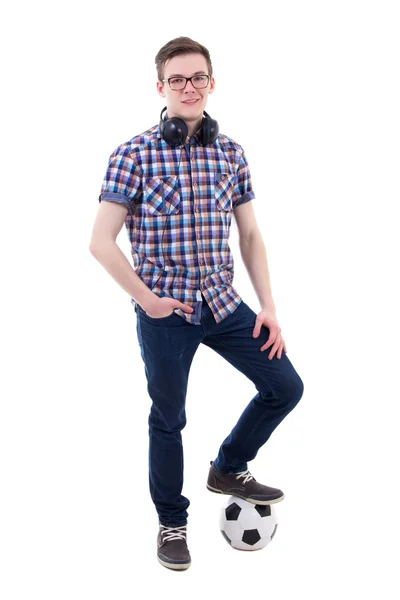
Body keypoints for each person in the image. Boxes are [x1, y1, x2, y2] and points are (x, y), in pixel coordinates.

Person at [89, 36, 304, 571]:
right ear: (160, 87)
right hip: (168, 312)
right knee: (169, 418)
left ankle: (229, 466)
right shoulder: (133, 154)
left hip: (224, 301)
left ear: (212, 83)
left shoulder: (231, 152)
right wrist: (147, 301)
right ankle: (171, 522)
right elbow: (100, 241)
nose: (190, 87)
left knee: (285, 386)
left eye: (199, 77)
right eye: (178, 79)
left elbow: (250, 236)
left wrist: (269, 307)